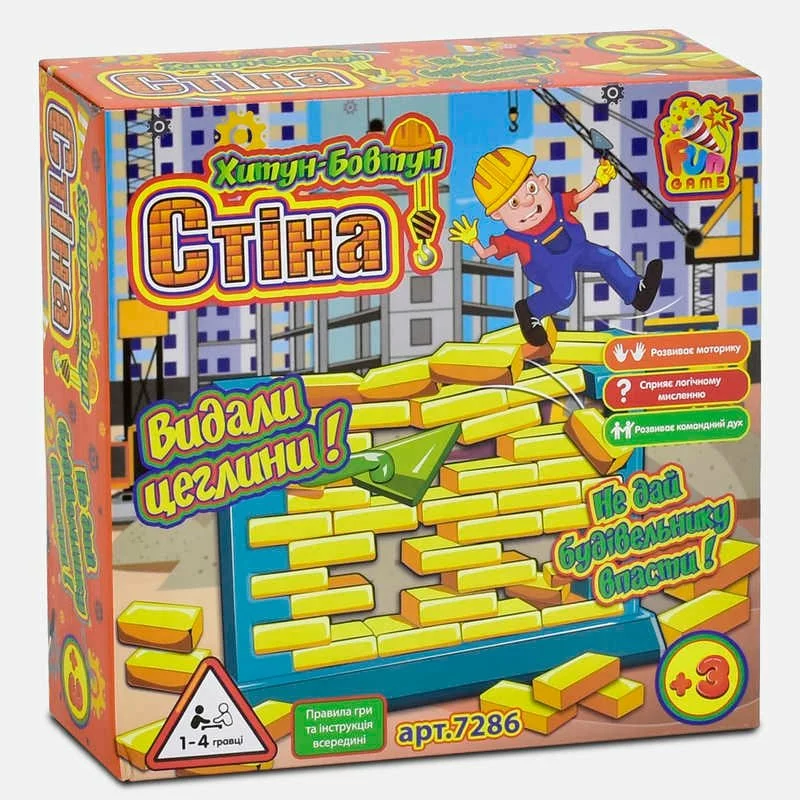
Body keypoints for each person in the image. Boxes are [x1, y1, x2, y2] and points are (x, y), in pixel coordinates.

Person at [450, 147, 663, 346]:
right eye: (513, 203)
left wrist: (598, 181)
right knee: (564, 294)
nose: (528, 202)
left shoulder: (559, 204)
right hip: (548, 268)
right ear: (498, 215)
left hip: (579, 249)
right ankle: (530, 310)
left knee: (606, 258)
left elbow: (579, 197)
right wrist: (472, 240)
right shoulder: (514, 237)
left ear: (542, 182)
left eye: (531, 188)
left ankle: (637, 291)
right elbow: (485, 253)